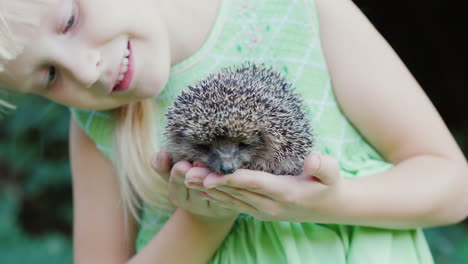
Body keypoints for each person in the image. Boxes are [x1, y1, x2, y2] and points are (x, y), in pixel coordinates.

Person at [1, 0, 467, 263]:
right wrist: (204, 219)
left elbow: (455, 186)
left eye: (69, 21)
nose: (85, 69)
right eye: (47, 77)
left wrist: (328, 202)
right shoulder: (96, 124)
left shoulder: (299, 11)